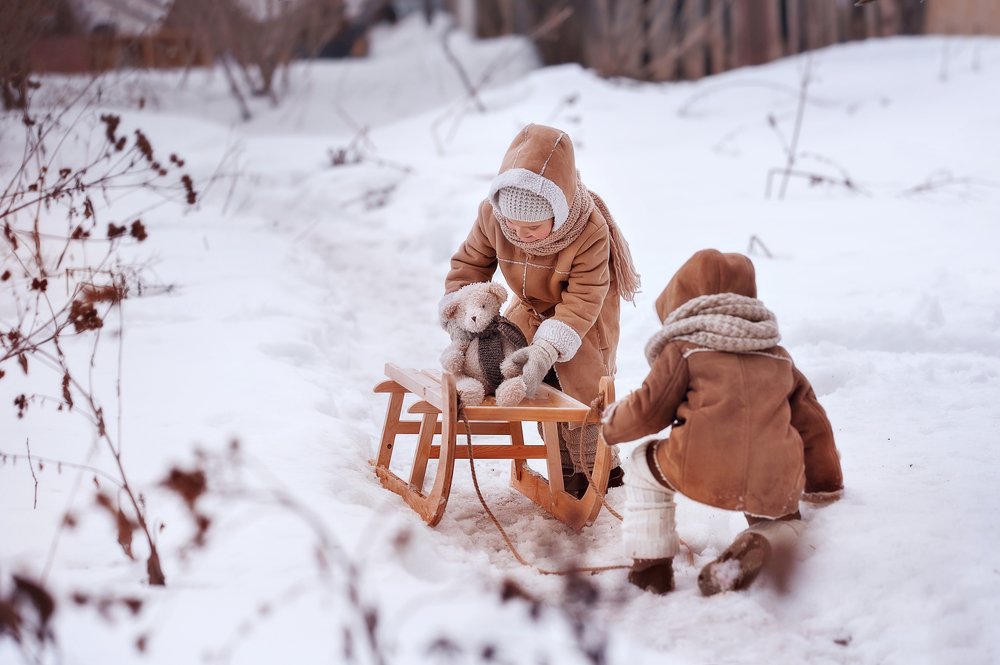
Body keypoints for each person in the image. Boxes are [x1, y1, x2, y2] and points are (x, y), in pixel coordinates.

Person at [602, 249, 844, 595]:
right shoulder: (778, 356)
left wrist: (612, 424)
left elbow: (649, 409)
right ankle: (766, 536)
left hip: (700, 464)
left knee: (642, 465)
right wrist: (825, 483)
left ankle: (651, 569)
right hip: (774, 472)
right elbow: (812, 424)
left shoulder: (685, 350)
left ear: (682, 300)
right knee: (783, 518)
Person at [442, 123, 641, 497]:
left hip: (584, 316)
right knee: (536, 383)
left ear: (559, 210)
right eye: (511, 224)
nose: (520, 234)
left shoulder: (589, 231)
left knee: (580, 389)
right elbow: (468, 266)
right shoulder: (493, 216)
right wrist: (463, 314)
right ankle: (561, 464)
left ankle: (597, 467)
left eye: (532, 226)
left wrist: (550, 346)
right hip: (530, 308)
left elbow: (583, 297)